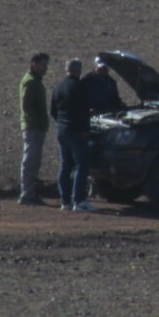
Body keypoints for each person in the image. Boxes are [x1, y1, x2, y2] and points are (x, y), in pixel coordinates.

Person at [49, 58, 97, 212]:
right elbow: (86, 108)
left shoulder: (58, 87)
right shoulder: (79, 87)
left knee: (65, 165)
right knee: (81, 165)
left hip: (62, 131)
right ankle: (79, 200)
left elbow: (53, 111)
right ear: (78, 70)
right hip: (77, 131)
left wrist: (62, 122)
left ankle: (65, 201)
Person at [18, 52, 50, 205]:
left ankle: (29, 192)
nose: (46, 69)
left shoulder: (34, 81)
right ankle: (27, 194)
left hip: (36, 127)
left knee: (33, 160)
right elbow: (27, 107)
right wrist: (37, 122)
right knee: (30, 160)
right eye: (43, 65)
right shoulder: (31, 82)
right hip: (33, 128)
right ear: (34, 64)